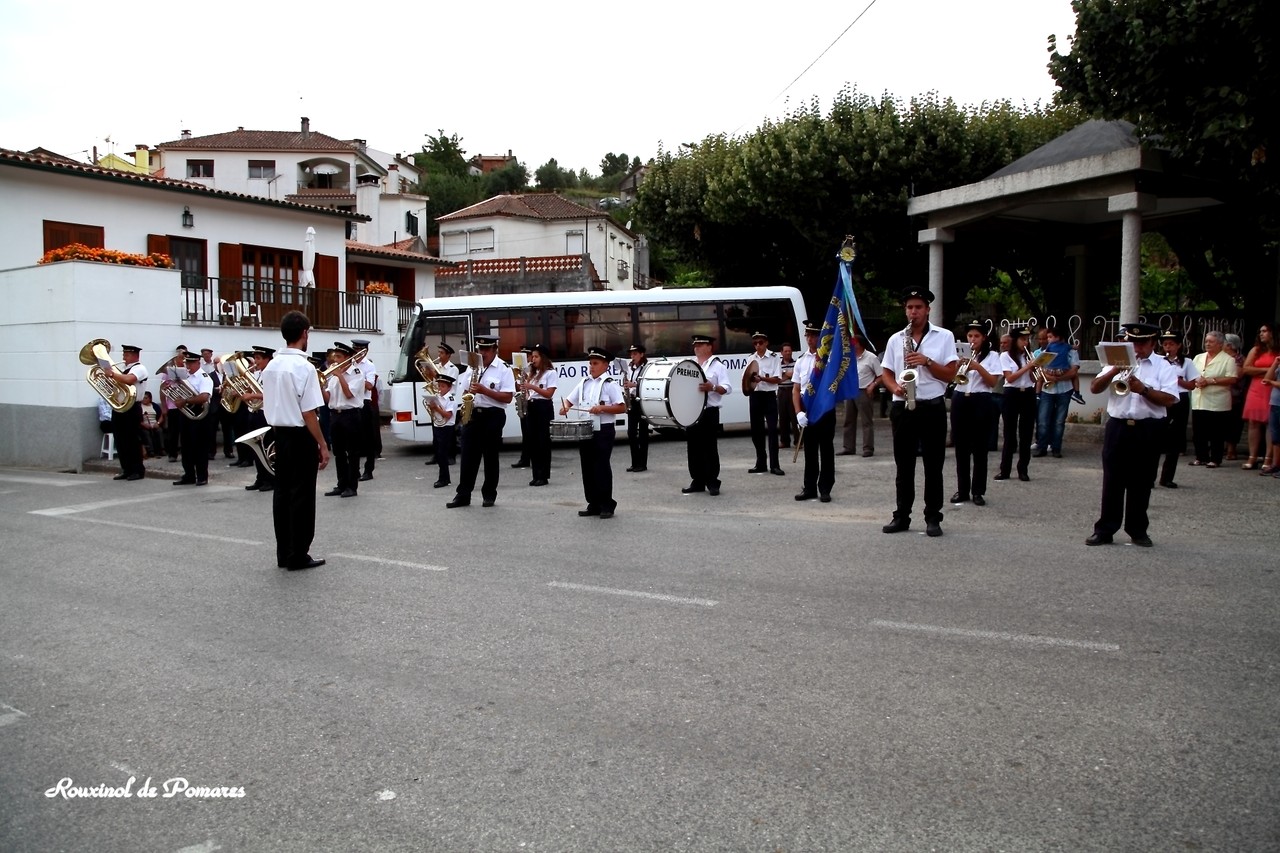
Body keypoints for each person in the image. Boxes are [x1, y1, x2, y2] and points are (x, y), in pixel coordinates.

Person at [1086, 322, 1181, 547]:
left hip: (1148, 428)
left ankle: (1137, 530)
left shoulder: (1163, 366)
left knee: (1142, 480)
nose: (1137, 349)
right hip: (1118, 426)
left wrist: (1144, 390)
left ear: (1153, 343)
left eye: (1142, 344)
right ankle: (1105, 529)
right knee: (1112, 480)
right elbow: (1094, 388)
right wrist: (1114, 370)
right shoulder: (1117, 360)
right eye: (1133, 343)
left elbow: (1170, 399)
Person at [879, 288, 958, 536]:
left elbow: (951, 374)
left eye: (918, 307)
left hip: (931, 406)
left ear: (928, 310)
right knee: (904, 466)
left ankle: (933, 517)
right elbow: (886, 372)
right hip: (903, 407)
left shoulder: (944, 336)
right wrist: (894, 387)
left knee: (933, 466)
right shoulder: (896, 339)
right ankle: (901, 516)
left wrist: (927, 362)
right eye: (910, 307)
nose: (914, 312)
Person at [261, 310, 330, 570]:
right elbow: (309, 412)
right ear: (304, 333)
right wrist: (322, 444)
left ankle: (284, 552)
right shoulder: (305, 367)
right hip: (300, 435)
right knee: (302, 495)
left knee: (282, 494)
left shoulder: (271, 366)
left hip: (279, 434)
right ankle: (298, 554)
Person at [447, 335, 515, 508]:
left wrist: (484, 390)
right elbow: (464, 391)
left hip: (493, 415)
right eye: (480, 349)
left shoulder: (504, 369)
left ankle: (489, 494)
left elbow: (508, 397)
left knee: (490, 456)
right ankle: (463, 495)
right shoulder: (472, 367)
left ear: (494, 350)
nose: (482, 353)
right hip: (473, 414)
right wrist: (467, 398)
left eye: (486, 350)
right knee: (468, 456)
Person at [560, 347, 627, 518]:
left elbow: (622, 407)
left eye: (595, 363)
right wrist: (565, 406)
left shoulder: (610, 384)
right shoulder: (584, 383)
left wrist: (603, 408)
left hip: (603, 430)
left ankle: (607, 504)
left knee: (601, 466)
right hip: (586, 429)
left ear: (605, 365)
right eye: (590, 363)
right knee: (587, 467)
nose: (591, 367)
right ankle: (593, 503)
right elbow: (569, 400)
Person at [950, 321, 1001, 506]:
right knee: (961, 448)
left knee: (980, 448)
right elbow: (951, 378)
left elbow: (993, 382)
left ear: (984, 338)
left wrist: (977, 366)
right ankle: (962, 490)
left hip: (981, 399)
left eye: (977, 336)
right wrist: (957, 366)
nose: (973, 339)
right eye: (970, 336)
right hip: (960, 398)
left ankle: (978, 491)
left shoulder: (993, 356)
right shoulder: (959, 354)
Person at [681, 334, 730, 496]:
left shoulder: (718, 366)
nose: (696, 347)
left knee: (709, 447)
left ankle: (712, 481)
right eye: (695, 344)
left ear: (709, 347)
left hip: (709, 411)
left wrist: (713, 387)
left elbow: (727, 388)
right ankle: (697, 481)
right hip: (692, 411)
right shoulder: (690, 364)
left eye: (700, 344)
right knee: (693, 447)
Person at [792, 321, 836, 502]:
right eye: (808, 335)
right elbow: (796, 389)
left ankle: (825, 488)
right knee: (810, 451)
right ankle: (809, 487)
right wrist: (798, 413)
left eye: (814, 335)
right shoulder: (801, 361)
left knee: (826, 450)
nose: (810, 339)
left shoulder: (829, 360)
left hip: (824, 409)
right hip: (807, 409)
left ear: (821, 337)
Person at [1189, 330, 1239, 468]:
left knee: (1216, 432)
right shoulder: (1198, 357)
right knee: (1198, 431)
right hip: (1199, 398)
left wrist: (1210, 381)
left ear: (1220, 344)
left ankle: (1215, 459)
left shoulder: (1228, 360)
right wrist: (1197, 381)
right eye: (1206, 341)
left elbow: (1232, 378)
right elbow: (1191, 373)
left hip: (1217, 401)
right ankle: (1201, 457)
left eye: (1211, 341)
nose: (1207, 344)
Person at [323, 341, 365, 499]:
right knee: (338, 452)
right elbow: (328, 398)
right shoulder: (334, 376)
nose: (335, 360)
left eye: (339, 357)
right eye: (335, 357)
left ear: (348, 358)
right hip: (335, 415)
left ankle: (351, 486)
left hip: (350, 415)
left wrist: (340, 376)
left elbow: (348, 394)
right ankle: (341, 484)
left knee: (352, 452)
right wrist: (320, 386)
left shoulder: (357, 374)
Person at [1157, 331, 1199, 488]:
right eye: (1165, 344)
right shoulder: (1159, 361)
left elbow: (1192, 385)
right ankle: (1149, 477)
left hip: (1180, 399)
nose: (1168, 347)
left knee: (1175, 439)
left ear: (1179, 345)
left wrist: (1178, 380)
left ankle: (1167, 478)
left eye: (1171, 344)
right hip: (1162, 397)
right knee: (1156, 436)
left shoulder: (1186, 362)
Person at [996, 326, 1037, 482]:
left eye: (1027, 339)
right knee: (1009, 434)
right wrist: (1027, 367)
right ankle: (1005, 470)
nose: (1025, 342)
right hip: (1011, 394)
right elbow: (1010, 378)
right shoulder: (1005, 356)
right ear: (1015, 340)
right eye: (1022, 339)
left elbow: (1033, 379)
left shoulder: (1030, 356)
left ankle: (1023, 469)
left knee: (1026, 434)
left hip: (1028, 393)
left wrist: (1034, 369)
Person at [1033, 324, 1080, 459]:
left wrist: (1057, 379)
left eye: (1050, 337)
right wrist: (1049, 377)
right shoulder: (1046, 351)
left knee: (1059, 421)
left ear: (1058, 337)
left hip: (1065, 389)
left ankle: (1056, 448)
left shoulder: (1071, 352)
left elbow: (1074, 371)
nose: (1047, 340)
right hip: (1047, 390)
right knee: (1043, 420)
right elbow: (1039, 368)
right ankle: (1042, 447)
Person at [106, 344, 148, 481]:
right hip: (119, 407)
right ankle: (126, 469)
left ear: (135, 356)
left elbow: (130, 379)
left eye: (127, 354)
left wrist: (112, 374)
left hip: (132, 407)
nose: (124, 357)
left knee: (132, 440)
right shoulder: (123, 369)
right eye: (124, 354)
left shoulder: (140, 368)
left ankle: (137, 470)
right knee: (120, 440)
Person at [1240, 322, 1278, 471]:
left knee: (1270, 423)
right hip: (1256, 387)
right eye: (1260, 331)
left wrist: (1262, 371)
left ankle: (1268, 458)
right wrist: (1268, 369)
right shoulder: (1256, 349)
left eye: (1265, 331)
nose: (1261, 334)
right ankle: (1252, 456)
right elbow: (1246, 369)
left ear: (1273, 333)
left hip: (1272, 387)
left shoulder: (1278, 351)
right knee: (1253, 422)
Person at [745, 331, 784, 475]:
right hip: (755, 395)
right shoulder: (751, 358)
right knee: (756, 431)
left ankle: (775, 465)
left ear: (766, 343)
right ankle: (760, 463)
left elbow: (777, 379)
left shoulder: (774, 357)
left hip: (769, 396)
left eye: (760, 342)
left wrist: (762, 379)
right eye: (755, 343)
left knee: (772, 430)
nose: (757, 345)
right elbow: (745, 378)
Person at [239, 346, 276, 493]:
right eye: (255, 358)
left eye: (259, 358)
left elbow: (271, 394)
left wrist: (252, 396)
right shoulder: (257, 373)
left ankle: (270, 479)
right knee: (256, 448)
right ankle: (260, 478)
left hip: (265, 414)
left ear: (268, 359)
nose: (256, 361)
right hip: (254, 412)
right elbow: (253, 390)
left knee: (266, 448)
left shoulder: (271, 374)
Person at [172, 351, 212, 486]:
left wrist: (185, 400)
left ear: (197, 363)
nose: (187, 366)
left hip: (200, 413)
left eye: (190, 363)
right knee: (186, 445)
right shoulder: (186, 377)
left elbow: (204, 397)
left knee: (199, 446)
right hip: (186, 413)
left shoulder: (204, 377)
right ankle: (188, 475)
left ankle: (202, 476)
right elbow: (180, 393)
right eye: (186, 363)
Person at [841, 335, 882, 457]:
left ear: (860, 344)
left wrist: (873, 385)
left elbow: (881, 375)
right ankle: (848, 447)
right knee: (848, 420)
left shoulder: (871, 357)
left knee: (866, 421)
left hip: (864, 390)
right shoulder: (848, 357)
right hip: (850, 391)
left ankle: (868, 448)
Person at [522, 344, 556, 486]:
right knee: (533, 441)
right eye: (532, 357)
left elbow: (549, 394)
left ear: (543, 358)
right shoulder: (533, 374)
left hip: (543, 407)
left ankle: (543, 475)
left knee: (543, 442)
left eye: (536, 357)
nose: (533, 359)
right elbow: (528, 391)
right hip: (532, 406)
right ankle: (536, 474)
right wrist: (523, 386)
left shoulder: (550, 373)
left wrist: (532, 387)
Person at [350, 338, 380, 481]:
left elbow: (369, 385)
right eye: (354, 349)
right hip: (351, 403)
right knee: (353, 440)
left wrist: (356, 378)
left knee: (368, 439)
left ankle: (368, 470)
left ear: (365, 351)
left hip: (364, 403)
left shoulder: (369, 366)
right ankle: (354, 471)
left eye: (358, 350)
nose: (355, 352)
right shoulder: (349, 363)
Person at [425, 373, 457, 489]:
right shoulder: (437, 397)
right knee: (439, 453)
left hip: (446, 427)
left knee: (442, 454)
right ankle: (444, 477)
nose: (440, 388)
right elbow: (435, 412)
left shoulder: (450, 399)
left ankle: (444, 478)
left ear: (449, 387)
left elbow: (448, 415)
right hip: (438, 425)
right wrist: (431, 407)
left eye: (443, 386)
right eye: (439, 386)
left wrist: (436, 408)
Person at [623, 343, 650, 472]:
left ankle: (642, 464)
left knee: (643, 433)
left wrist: (633, 385)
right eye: (631, 354)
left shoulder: (647, 367)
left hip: (643, 402)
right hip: (633, 402)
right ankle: (635, 463)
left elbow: (648, 382)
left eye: (635, 354)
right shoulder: (631, 368)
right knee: (631, 433)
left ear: (641, 354)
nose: (632, 356)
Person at [1223, 333, 1247, 461]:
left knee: (1234, 423)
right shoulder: (1219, 358)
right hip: (1220, 395)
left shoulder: (1239, 359)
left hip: (1234, 396)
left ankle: (1231, 449)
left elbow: (1236, 376)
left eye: (1223, 342)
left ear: (1230, 345)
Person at [511, 345, 534, 470]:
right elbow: (516, 387)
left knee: (531, 433)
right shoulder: (519, 370)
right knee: (525, 433)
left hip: (531, 402)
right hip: (523, 402)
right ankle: (525, 458)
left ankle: (532, 458)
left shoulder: (533, 369)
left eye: (526, 356)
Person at [777, 343, 798, 449]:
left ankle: (798, 441)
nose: (788, 353)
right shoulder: (777, 364)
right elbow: (777, 379)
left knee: (794, 417)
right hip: (782, 392)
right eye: (785, 351)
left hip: (792, 390)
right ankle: (784, 441)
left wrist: (785, 374)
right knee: (783, 417)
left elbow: (796, 376)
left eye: (789, 351)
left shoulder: (796, 363)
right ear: (781, 352)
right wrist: (788, 374)